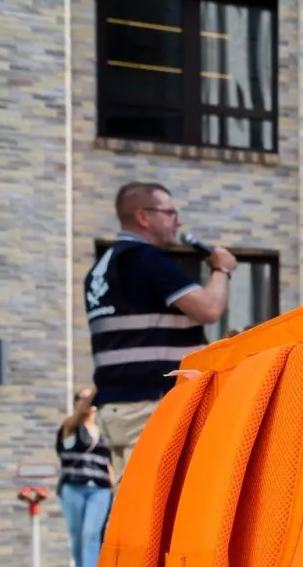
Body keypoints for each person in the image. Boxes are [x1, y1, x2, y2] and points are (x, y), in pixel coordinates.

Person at [84, 183, 235, 484]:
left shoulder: (102, 268)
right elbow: (208, 309)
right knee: (155, 510)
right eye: (170, 213)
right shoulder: (146, 260)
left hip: (117, 409)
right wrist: (222, 269)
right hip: (149, 407)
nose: (177, 222)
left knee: (133, 505)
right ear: (144, 216)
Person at [56, 386, 114, 567]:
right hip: (74, 486)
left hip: (99, 488)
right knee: (78, 533)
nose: (89, 402)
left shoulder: (103, 428)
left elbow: (110, 461)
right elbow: (76, 419)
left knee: (92, 531)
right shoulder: (70, 426)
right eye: (83, 398)